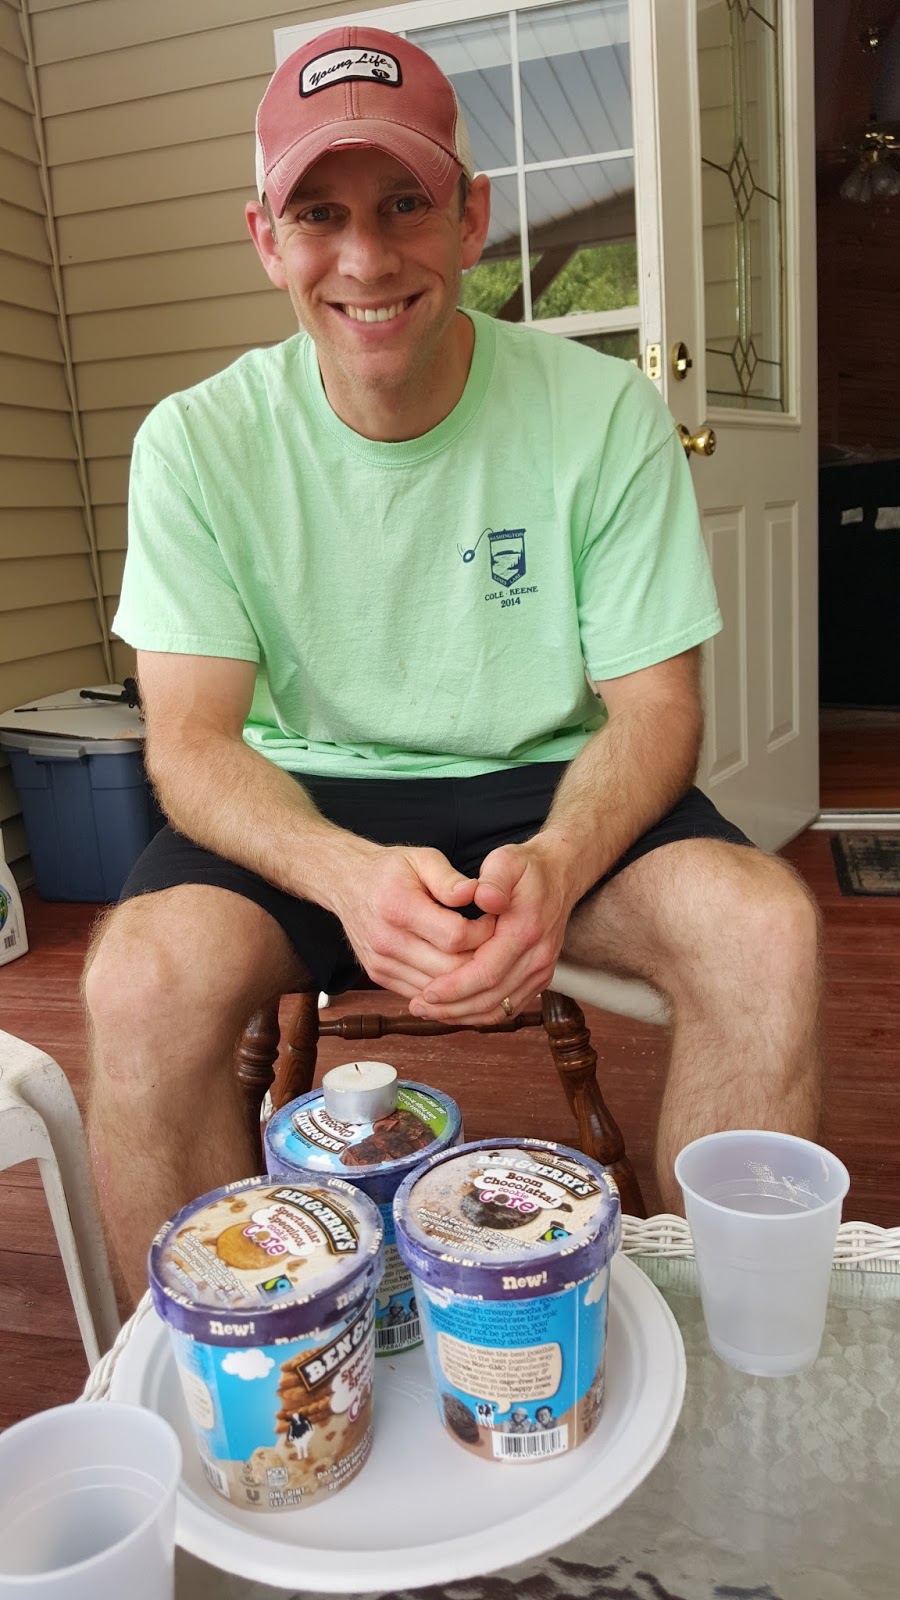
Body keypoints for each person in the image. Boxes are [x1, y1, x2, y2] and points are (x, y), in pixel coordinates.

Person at [83, 26, 822, 1302]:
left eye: (405, 204)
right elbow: (191, 742)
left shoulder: (603, 413)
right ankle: (227, 1381)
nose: (367, 260)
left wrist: (562, 862)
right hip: (307, 796)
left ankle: (729, 1349)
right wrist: (343, 874)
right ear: (266, 239)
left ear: (472, 217)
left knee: (766, 931)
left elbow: (657, 710)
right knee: (138, 983)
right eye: (319, 214)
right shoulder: (197, 443)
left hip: (550, 784)